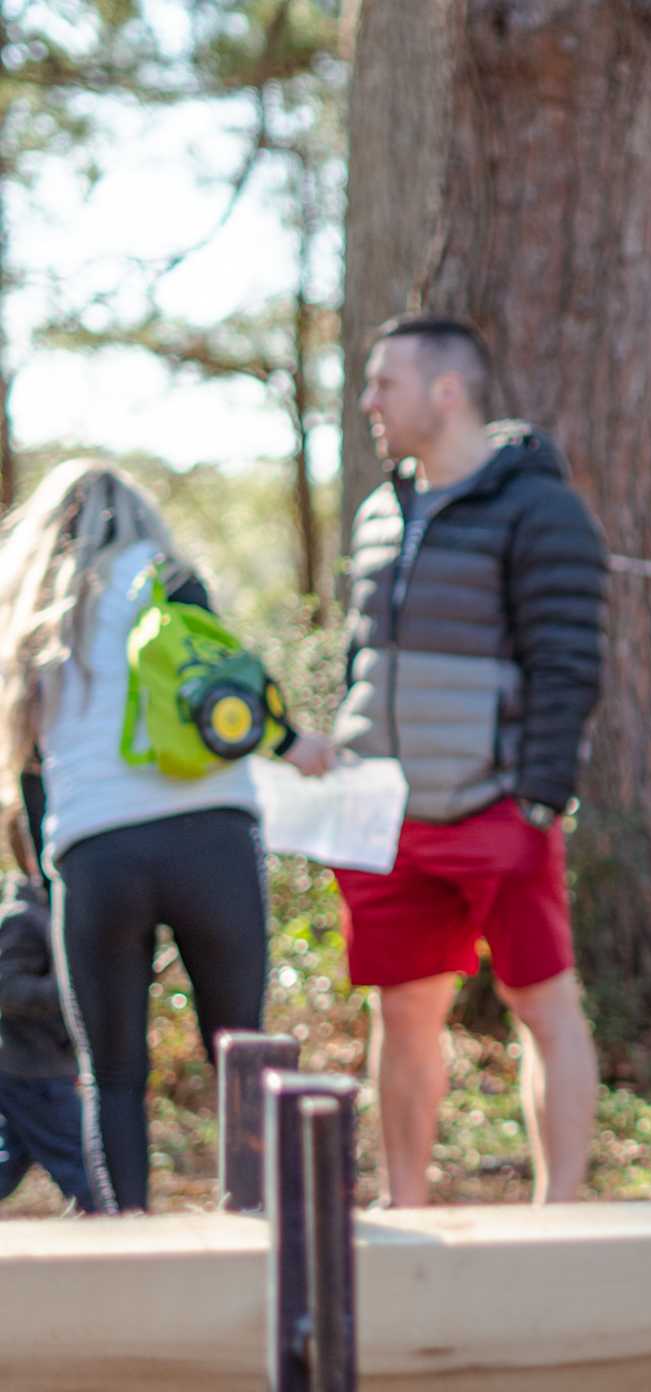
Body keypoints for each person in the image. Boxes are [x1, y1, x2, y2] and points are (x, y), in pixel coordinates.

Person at [0, 460, 332, 1213]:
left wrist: (55, 888)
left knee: (112, 1073)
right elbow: (221, 686)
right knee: (239, 1049)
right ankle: (254, 1228)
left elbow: (28, 769)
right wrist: (291, 744)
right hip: (210, 834)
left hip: (95, 849)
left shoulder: (38, 605)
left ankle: (128, 1247)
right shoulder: (169, 576)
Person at [332, 314, 607, 1207]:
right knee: (399, 1012)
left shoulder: (539, 507)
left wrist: (537, 801)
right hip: (386, 817)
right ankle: (403, 1203)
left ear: (446, 392)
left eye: (385, 383)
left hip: (497, 810)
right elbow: (358, 658)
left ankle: (556, 1216)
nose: (370, 401)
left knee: (543, 1007)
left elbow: (570, 658)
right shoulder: (380, 510)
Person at [0, 816, 92, 1211]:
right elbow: (7, 989)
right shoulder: (22, 918)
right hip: (31, 1070)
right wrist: (72, 987)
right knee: (86, 1172)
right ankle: (115, 1241)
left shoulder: (48, 911)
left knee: (10, 1161)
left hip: (38, 1065)